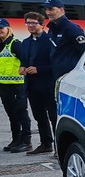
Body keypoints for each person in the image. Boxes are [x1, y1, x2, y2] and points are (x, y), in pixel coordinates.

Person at [19, 12, 56, 154]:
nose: (30, 25)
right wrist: (22, 67)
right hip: (32, 86)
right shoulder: (25, 42)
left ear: (42, 24)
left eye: (34, 23)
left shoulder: (50, 41)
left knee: (54, 116)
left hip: (48, 84)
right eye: (28, 23)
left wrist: (39, 69)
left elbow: (56, 64)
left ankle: (59, 147)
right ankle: (46, 144)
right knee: (39, 117)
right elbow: (24, 59)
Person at [0, 18, 33, 153]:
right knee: (11, 114)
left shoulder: (15, 44)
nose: (0, 31)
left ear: (8, 29)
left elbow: (25, 60)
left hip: (17, 85)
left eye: (1, 28)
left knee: (21, 112)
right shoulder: (1, 45)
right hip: (4, 85)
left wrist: (23, 68)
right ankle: (16, 139)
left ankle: (26, 141)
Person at [40, 0, 85, 79]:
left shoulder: (71, 28)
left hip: (69, 76)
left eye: (51, 9)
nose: (47, 13)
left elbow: (84, 51)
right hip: (57, 75)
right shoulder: (52, 29)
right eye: (46, 9)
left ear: (61, 10)